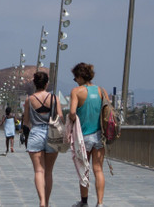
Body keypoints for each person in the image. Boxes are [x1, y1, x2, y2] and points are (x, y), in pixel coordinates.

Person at [69, 62, 108, 207]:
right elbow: (107, 112)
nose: (75, 80)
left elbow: (72, 113)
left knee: (83, 170)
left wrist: (74, 120)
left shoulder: (77, 91)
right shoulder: (101, 91)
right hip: (99, 136)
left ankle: (84, 202)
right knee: (98, 169)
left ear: (80, 76)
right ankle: (100, 203)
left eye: (75, 78)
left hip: (83, 137)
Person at [23, 71, 63, 207]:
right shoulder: (54, 98)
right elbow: (61, 118)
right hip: (52, 134)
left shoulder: (29, 100)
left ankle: (41, 201)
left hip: (35, 134)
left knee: (39, 170)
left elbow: (26, 122)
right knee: (49, 171)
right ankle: (47, 201)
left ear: (34, 84)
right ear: (47, 84)